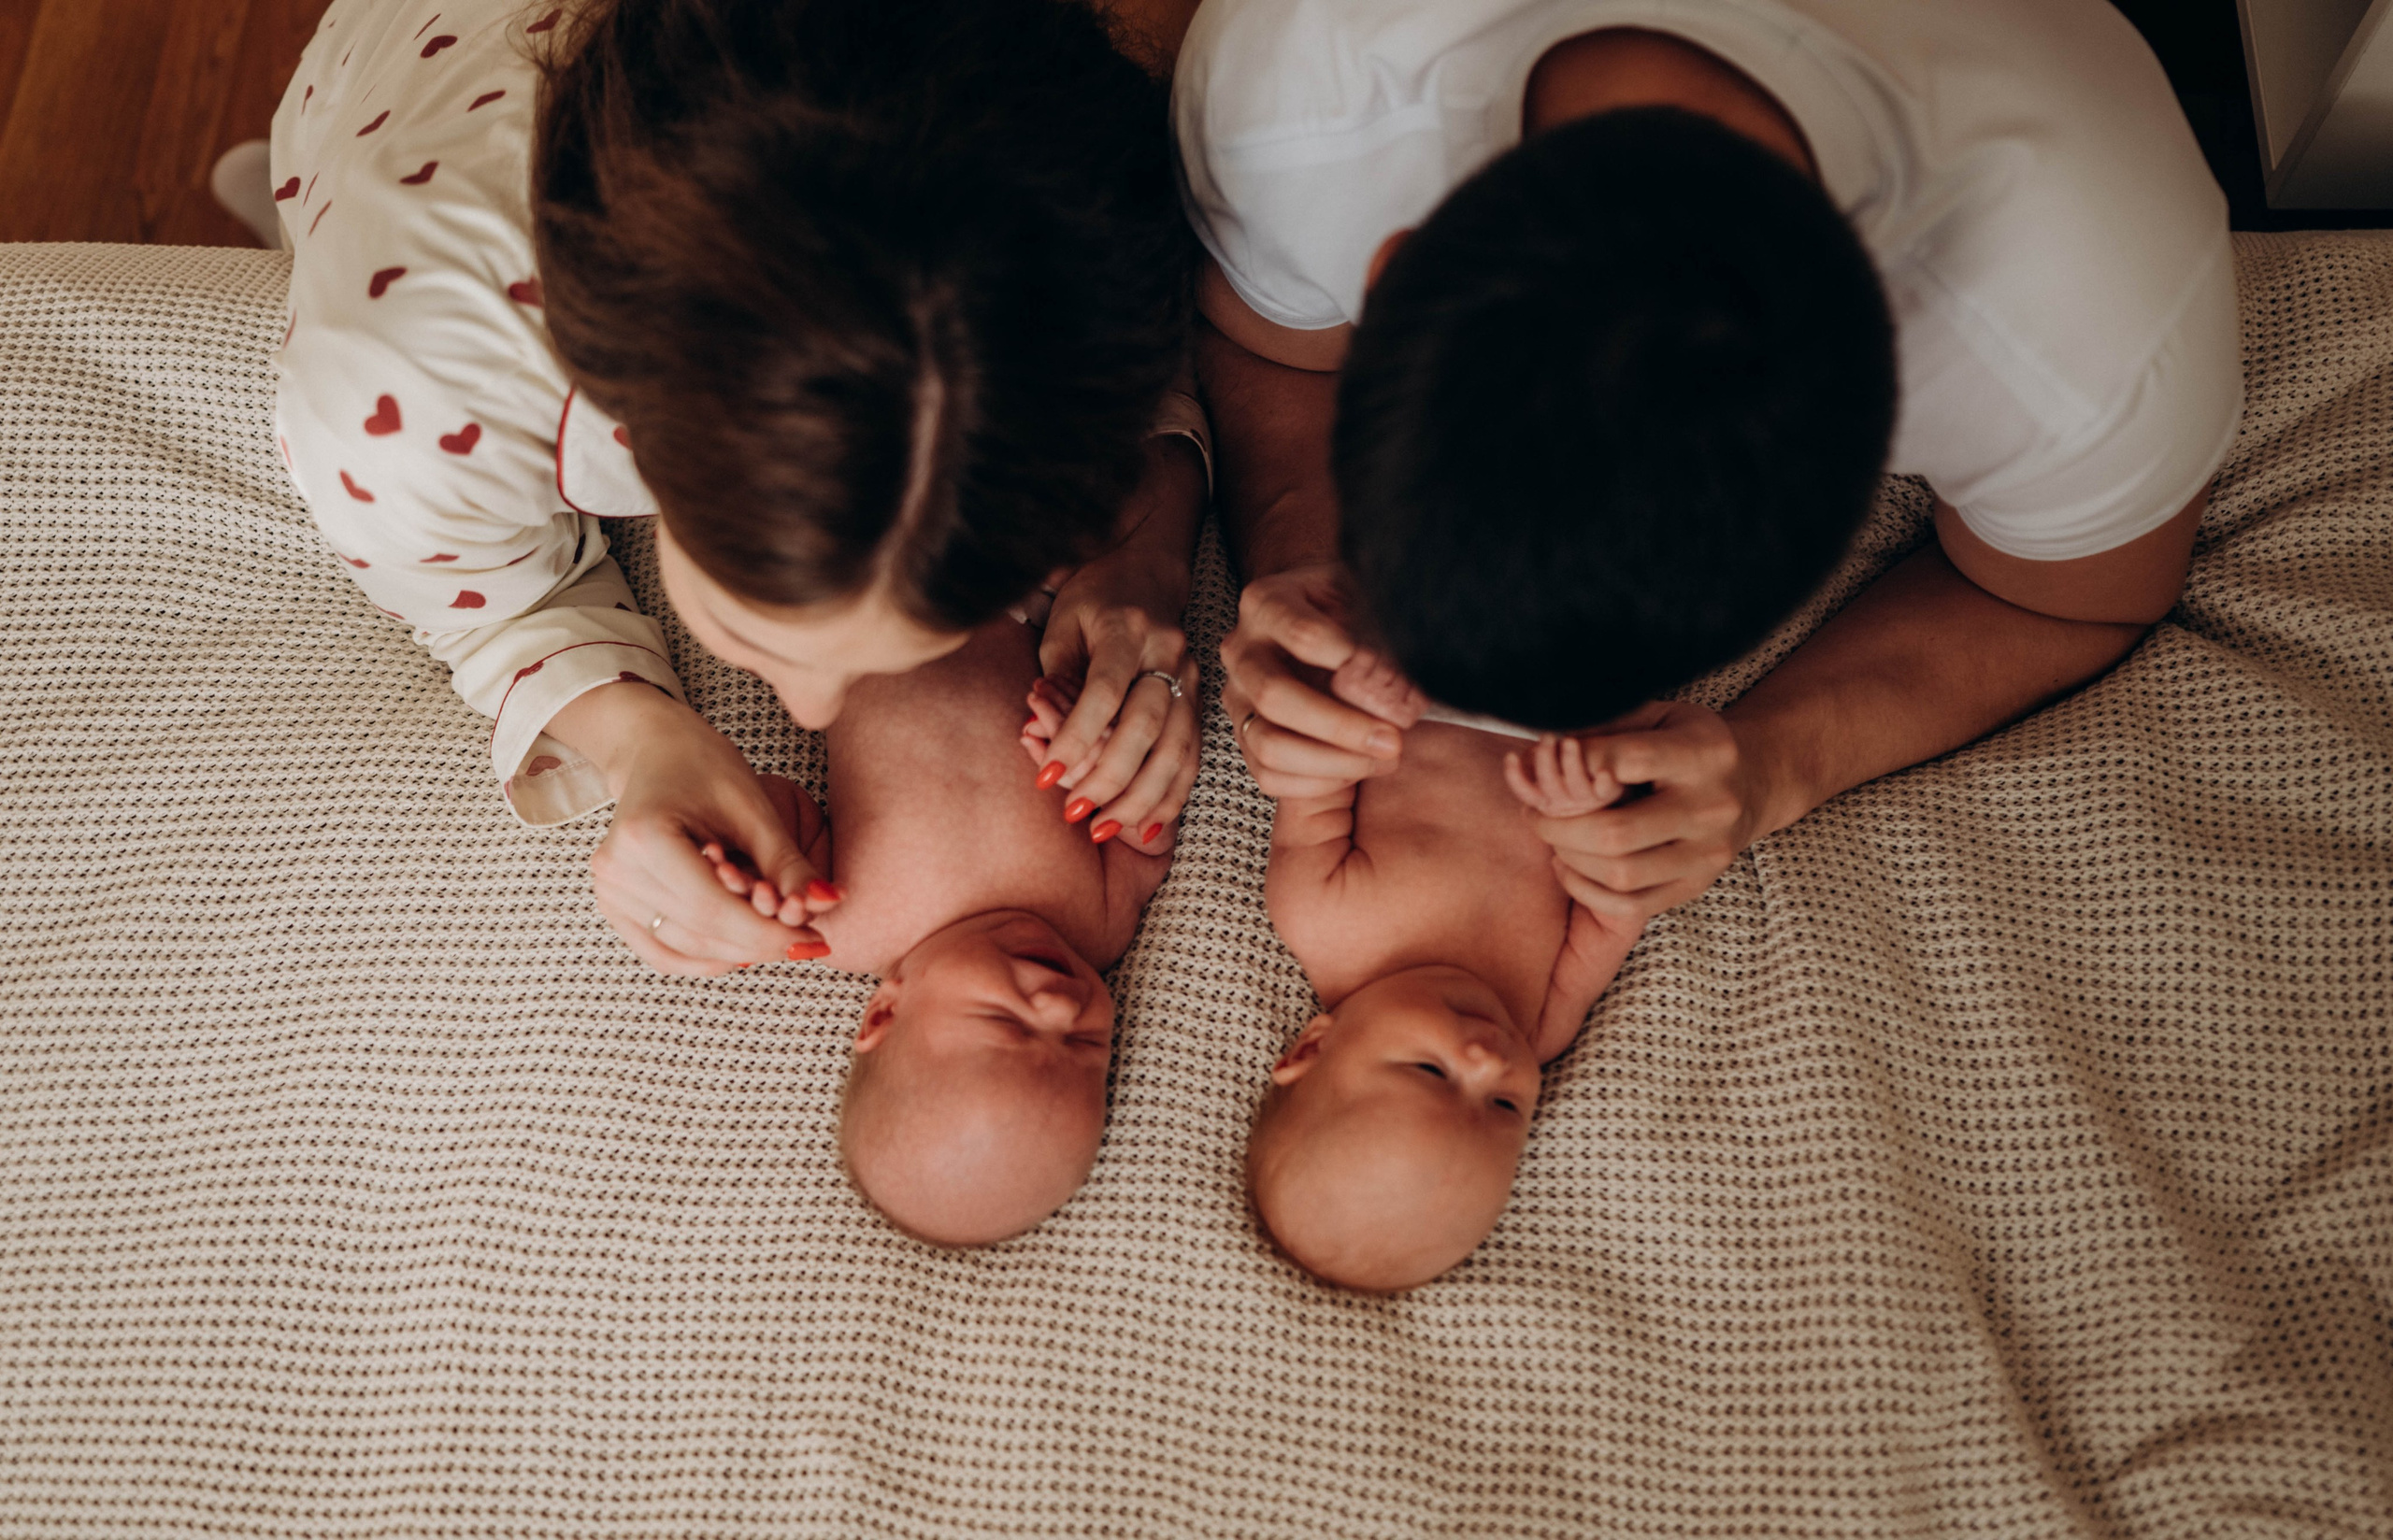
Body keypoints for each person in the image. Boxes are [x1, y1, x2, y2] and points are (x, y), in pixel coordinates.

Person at [1179, 0, 2241, 947]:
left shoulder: (2092, 349)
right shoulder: (1289, 91)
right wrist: (1300, 542)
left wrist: (1775, 762)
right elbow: (1268, 345)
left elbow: (2072, 602)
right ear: (1389, 269)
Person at [260, 0, 1208, 975]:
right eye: (759, 632)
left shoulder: (1057, 193)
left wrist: (1144, 548)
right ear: (629, 432)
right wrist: (635, 737)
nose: (805, 713)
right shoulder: (395, 415)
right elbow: (488, 607)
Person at [702, 609, 1187, 1245]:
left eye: (1008, 1024)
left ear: (883, 1014)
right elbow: (1145, 835)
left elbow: (775, 808)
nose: (1061, 1005)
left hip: (855, 598)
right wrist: (1102, 754)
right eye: (1085, 1048)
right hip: (1017, 586)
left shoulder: (844, 924)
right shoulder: (1098, 928)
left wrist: (752, 866)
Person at [1252, 653, 1640, 1290]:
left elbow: (1315, 767)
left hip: (1429, 662)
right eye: (1506, 1105)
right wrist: (1590, 815)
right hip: (1578, 700)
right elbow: (1613, 906)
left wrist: (1355, 698)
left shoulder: (1321, 916)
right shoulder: (1540, 1027)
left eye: (1432, 1072)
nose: (1489, 1059)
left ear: (1315, 1045)